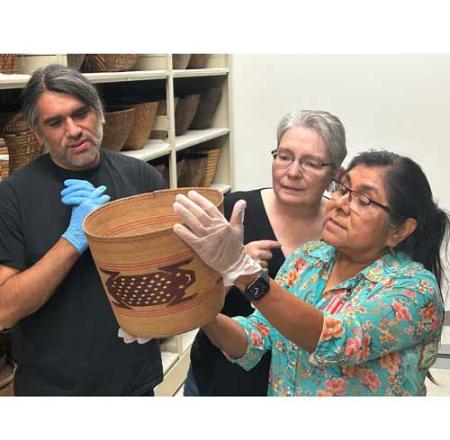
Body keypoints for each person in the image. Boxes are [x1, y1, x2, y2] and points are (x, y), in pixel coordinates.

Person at [173, 149, 449, 395]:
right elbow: (255, 336)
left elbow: (336, 340)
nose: (340, 204)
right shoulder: (307, 259)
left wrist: (242, 272)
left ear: (400, 230)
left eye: (364, 200)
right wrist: (198, 307)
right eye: (342, 189)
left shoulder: (414, 289)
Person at [0, 64, 166, 395]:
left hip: (133, 378)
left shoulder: (142, 178)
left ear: (100, 113)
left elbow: (168, 270)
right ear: (37, 134)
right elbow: (5, 308)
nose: (74, 130)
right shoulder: (13, 196)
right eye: (55, 122)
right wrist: (75, 238)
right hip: (53, 387)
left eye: (81, 113)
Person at [185, 109, 347, 395]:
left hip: (303, 384)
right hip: (221, 377)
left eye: (310, 163)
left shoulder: (342, 231)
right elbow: (189, 298)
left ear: (334, 174)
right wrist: (227, 272)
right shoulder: (233, 211)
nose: (292, 172)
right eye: (284, 157)